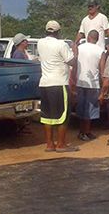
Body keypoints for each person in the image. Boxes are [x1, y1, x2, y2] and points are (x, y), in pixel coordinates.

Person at [37, 20, 79, 152]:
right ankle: (61, 144)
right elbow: (72, 62)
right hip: (59, 83)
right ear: (58, 32)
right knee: (63, 116)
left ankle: (49, 144)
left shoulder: (40, 43)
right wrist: (75, 51)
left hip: (44, 83)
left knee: (47, 116)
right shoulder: (61, 44)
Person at [75, 30, 105, 141]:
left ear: (88, 37)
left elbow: (74, 64)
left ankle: (82, 132)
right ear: (97, 39)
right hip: (93, 84)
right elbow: (102, 71)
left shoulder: (80, 48)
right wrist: (103, 89)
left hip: (80, 81)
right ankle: (86, 132)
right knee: (90, 109)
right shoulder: (100, 51)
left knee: (82, 108)